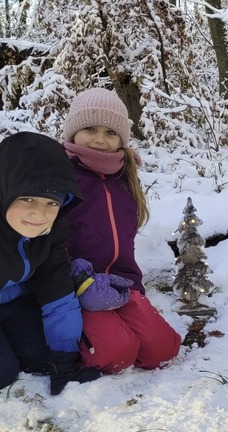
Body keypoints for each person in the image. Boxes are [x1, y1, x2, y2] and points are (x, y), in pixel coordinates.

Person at [62, 88, 181, 373]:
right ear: (73, 131)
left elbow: (123, 241)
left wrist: (133, 287)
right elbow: (41, 241)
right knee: (116, 355)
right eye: (90, 128)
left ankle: (120, 323)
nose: (100, 140)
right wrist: (78, 280)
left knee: (163, 350)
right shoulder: (60, 175)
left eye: (110, 132)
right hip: (77, 288)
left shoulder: (124, 176)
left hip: (121, 284)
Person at [0, 132, 101, 395]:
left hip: (10, 300)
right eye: (27, 199)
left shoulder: (51, 231)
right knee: (3, 372)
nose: (39, 213)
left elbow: (57, 291)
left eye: (51, 203)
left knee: (47, 357)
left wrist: (65, 361)